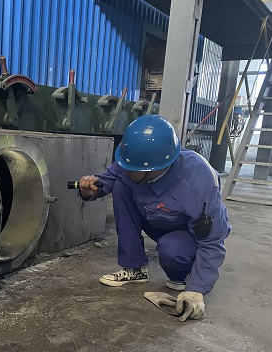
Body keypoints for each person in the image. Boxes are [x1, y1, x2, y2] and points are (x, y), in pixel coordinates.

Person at [78, 115, 231, 321]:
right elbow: (108, 179)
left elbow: (212, 242)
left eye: (133, 168)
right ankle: (134, 267)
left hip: (186, 234)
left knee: (172, 250)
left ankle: (181, 274)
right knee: (121, 184)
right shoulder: (134, 162)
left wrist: (196, 290)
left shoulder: (200, 183)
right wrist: (90, 190)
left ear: (155, 168)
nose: (125, 168)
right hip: (156, 218)